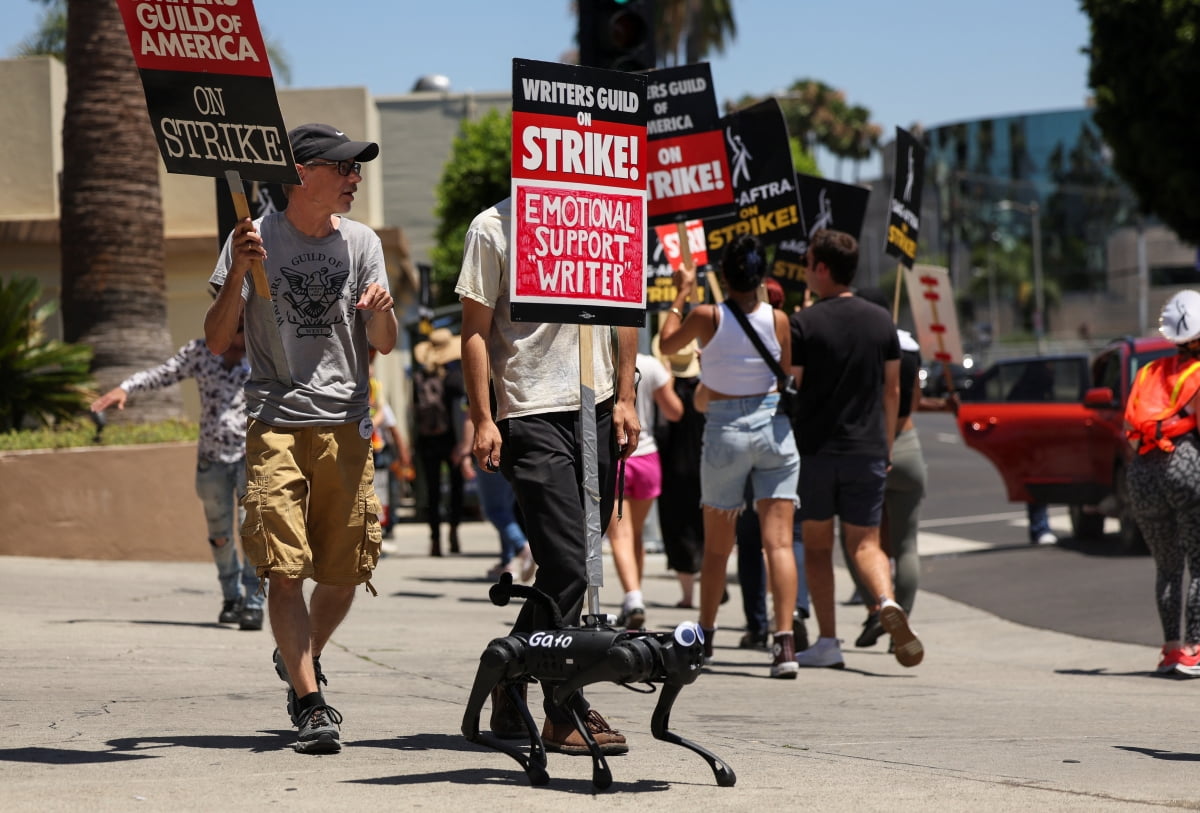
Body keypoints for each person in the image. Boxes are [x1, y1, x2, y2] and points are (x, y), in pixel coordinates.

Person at [204, 122, 398, 754]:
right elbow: (214, 339)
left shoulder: (362, 242)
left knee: (345, 570)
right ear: (302, 173)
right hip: (275, 420)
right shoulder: (253, 236)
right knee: (283, 570)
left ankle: (297, 658)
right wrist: (239, 273)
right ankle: (311, 700)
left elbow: (386, 343)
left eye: (357, 169)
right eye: (343, 168)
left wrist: (383, 309)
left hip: (346, 420)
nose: (355, 179)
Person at [456, 197, 638, 755]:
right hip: (530, 411)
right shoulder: (492, 227)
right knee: (567, 563)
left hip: (599, 405)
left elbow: (623, 311)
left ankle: (508, 673)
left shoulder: (602, 213)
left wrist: (627, 396)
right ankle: (562, 705)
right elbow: (475, 329)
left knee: (580, 560)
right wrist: (483, 417)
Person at [660, 234, 801, 679]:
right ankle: (784, 645)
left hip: (725, 430)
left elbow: (666, 345)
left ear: (724, 275)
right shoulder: (779, 319)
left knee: (718, 546)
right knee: (777, 542)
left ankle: (705, 635)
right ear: (761, 277)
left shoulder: (707, 315)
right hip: (773, 427)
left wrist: (681, 293)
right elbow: (784, 375)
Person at [789, 229, 921, 670]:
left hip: (817, 450)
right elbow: (893, 391)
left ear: (822, 269)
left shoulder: (804, 323)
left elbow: (796, 385)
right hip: (868, 449)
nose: (805, 269)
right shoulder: (881, 320)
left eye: (808, 262)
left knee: (819, 546)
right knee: (866, 543)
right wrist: (884, 444)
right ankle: (886, 600)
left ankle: (828, 641)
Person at [90, 327, 261, 630]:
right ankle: (231, 598)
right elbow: (164, 373)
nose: (238, 330)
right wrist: (126, 388)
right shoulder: (202, 351)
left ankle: (253, 602)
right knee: (220, 535)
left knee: (252, 533)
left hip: (252, 459)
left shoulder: (264, 351)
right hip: (212, 460)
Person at [850, 287, 956, 650]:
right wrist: (943, 405)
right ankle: (901, 621)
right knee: (906, 543)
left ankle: (877, 607)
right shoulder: (908, 348)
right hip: (908, 446)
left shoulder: (861, 344)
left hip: (870, 447)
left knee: (859, 541)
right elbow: (910, 401)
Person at [1125, 290, 1200, 676]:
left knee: (1167, 566)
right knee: (1199, 564)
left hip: (1141, 474)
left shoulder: (1147, 373)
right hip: (1183, 466)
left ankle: (1171, 649)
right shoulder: (1198, 373)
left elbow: (1130, 426)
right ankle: (1195, 648)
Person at [609, 350, 683, 629]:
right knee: (635, 533)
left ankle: (633, 597)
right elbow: (675, 411)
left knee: (620, 534)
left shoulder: (600, 361)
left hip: (615, 454)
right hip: (648, 456)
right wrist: (668, 380)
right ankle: (633, 598)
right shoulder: (652, 365)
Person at [652, 336, 706, 609]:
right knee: (706, 526)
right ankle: (711, 584)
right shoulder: (705, 387)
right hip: (707, 464)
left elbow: (662, 426)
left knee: (678, 528)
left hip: (673, 466)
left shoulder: (665, 389)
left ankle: (688, 596)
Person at [454, 408, 535, 582]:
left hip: (493, 447)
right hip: (517, 442)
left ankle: (522, 548)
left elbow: (471, 417)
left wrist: (466, 453)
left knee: (495, 510)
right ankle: (507, 563)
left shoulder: (481, 384)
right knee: (506, 510)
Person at [412, 328, 466, 556]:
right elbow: (459, 413)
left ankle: (435, 540)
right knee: (456, 488)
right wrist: (462, 444)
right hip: (451, 439)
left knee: (433, 492)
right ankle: (454, 532)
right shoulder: (455, 378)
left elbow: (412, 412)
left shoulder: (418, 378)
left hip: (426, 440)